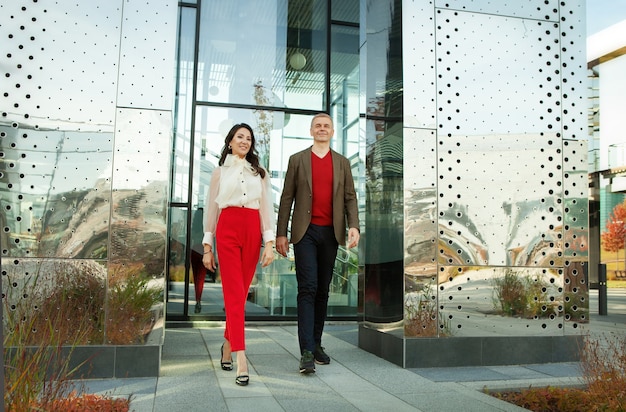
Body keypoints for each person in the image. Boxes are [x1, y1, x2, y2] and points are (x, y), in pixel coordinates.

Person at [276, 113, 360, 374]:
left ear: (332, 132)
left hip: (331, 233)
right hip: (305, 233)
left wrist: (354, 226)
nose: (322, 129)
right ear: (311, 131)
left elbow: (350, 198)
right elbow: (286, 198)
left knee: (323, 290)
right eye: (318, 126)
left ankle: (317, 342)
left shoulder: (343, 163)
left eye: (326, 126)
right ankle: (307, 352)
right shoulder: (297, 160)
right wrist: (281, 233)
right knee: (308, 288)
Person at [202, 123, 275, 386]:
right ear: (230, 142)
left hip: (252, 229)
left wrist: (268, 242)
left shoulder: (260, 173)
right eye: (239, 137)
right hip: (228, 228)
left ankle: (226, 343)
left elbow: (267, 209)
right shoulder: (219, 173)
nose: (245, 141)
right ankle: (241, 357)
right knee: (232, 292)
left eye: (249, 138)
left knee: (240, 295)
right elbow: (211, 210)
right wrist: (207, 247)